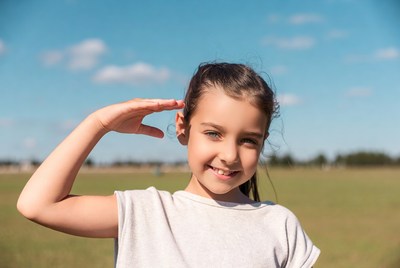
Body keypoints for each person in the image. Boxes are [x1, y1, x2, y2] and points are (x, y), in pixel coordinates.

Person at [17, 62, 320, 267]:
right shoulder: (145, 212)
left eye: (248, 140)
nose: (229, 154)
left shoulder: (279, 224)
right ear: (183, 128)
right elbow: (38, 205)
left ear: (263, 140)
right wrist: (97, 123)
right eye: (213, 133)